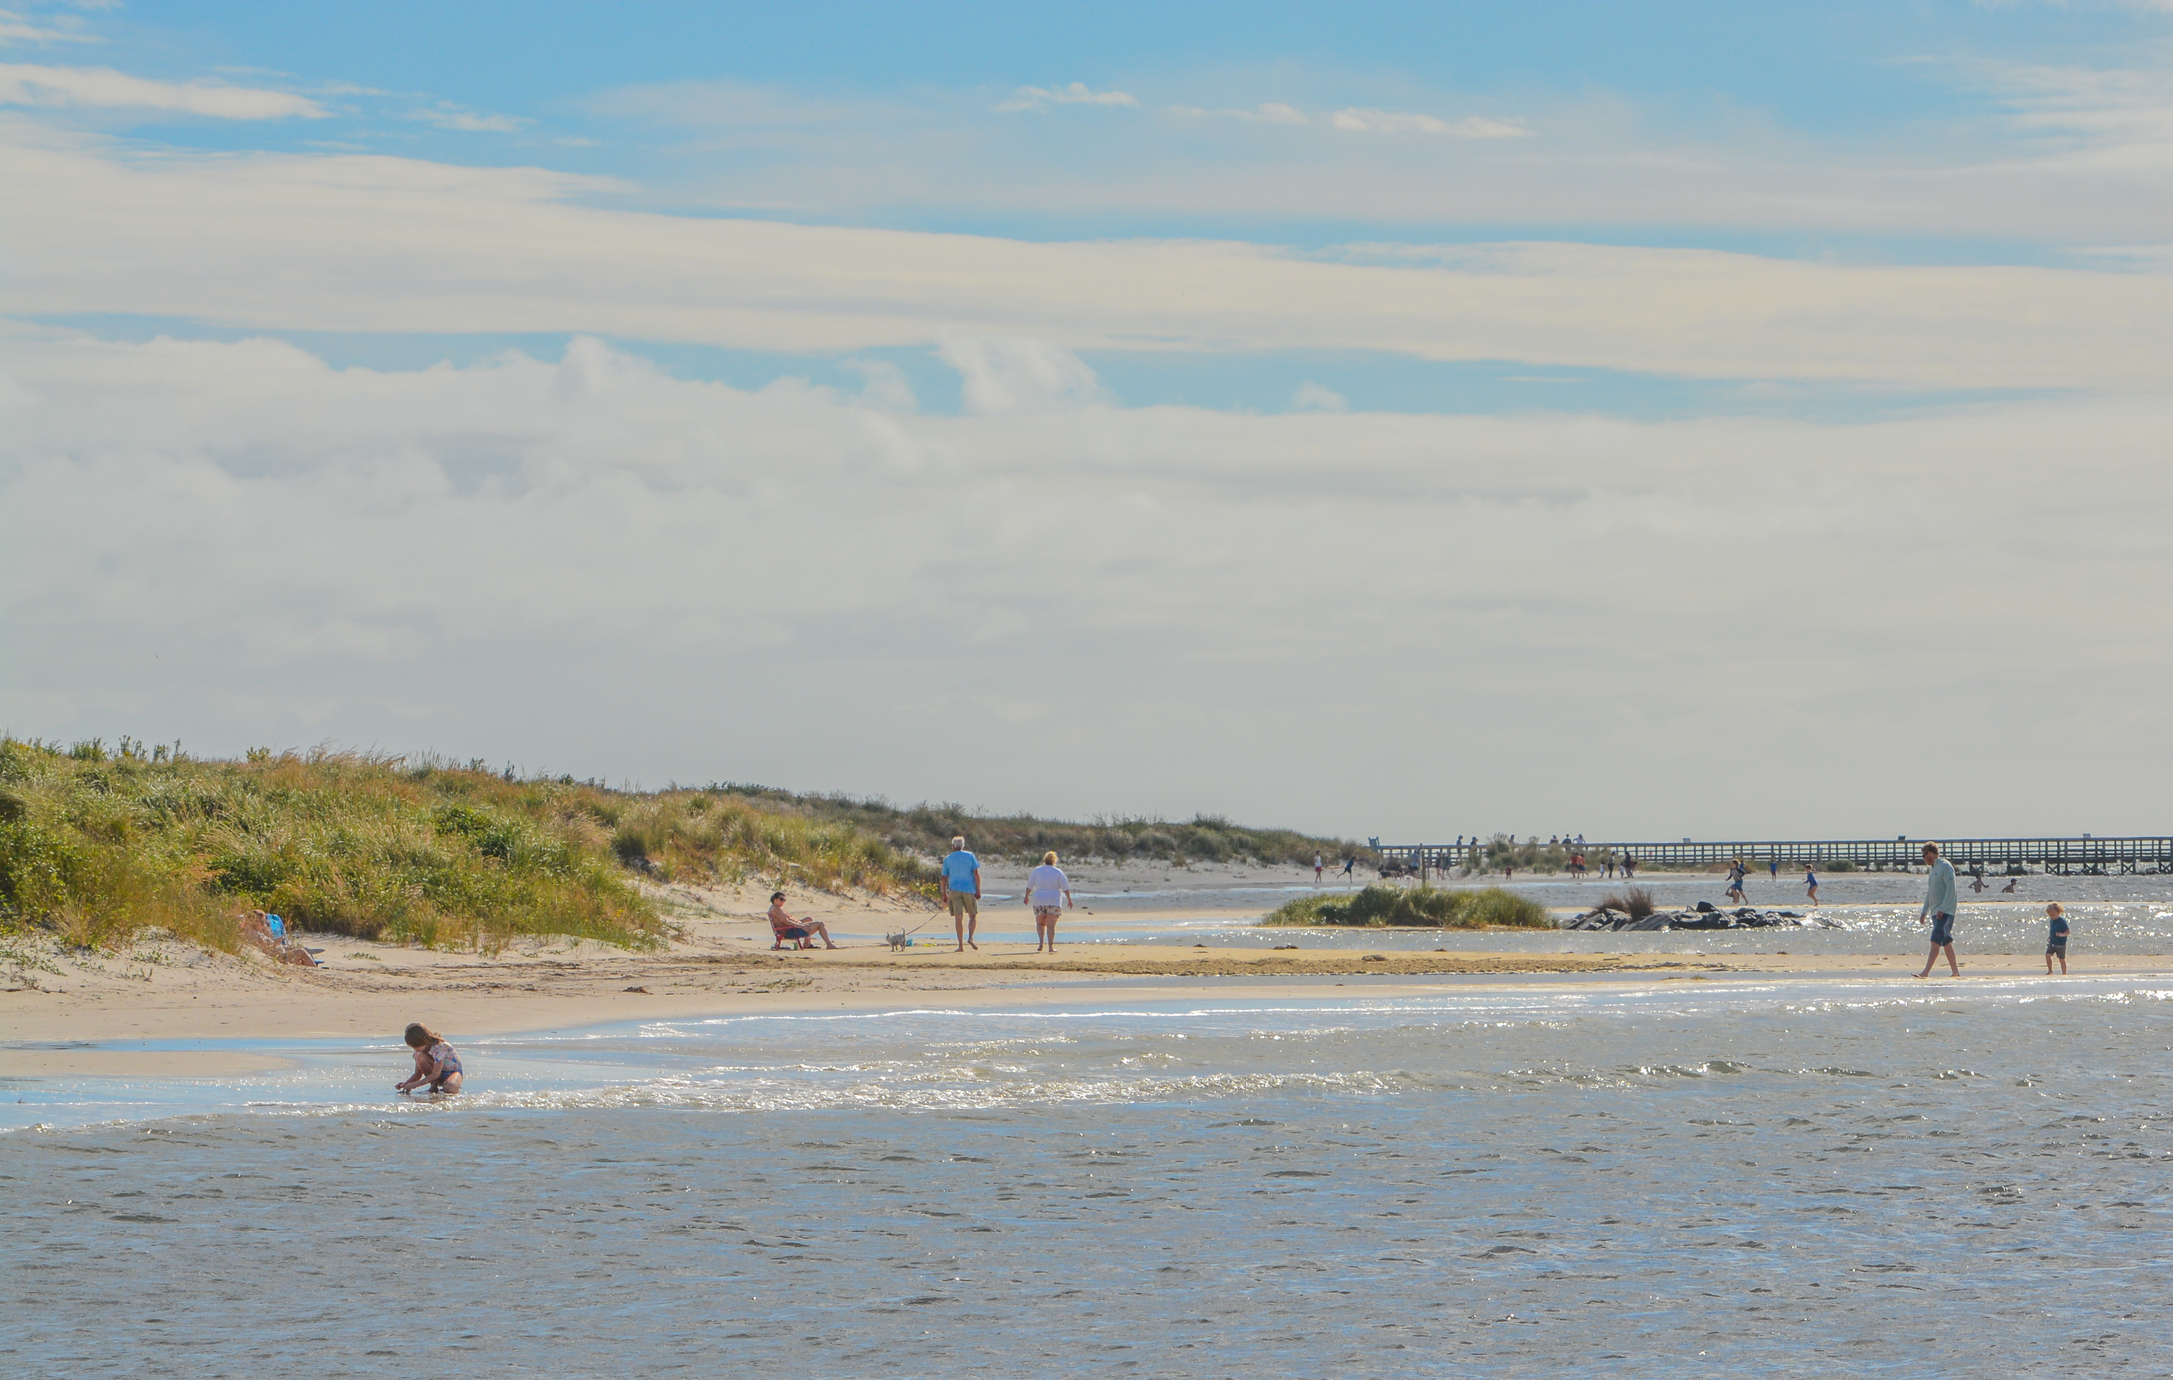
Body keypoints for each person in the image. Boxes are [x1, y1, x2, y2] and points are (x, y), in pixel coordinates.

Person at [1913, 842, 1961, 979]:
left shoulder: (1945, 866)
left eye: (1924, 856)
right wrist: (1924, 911)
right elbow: (1930, 893)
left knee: (1935, 940)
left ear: (1930, 853)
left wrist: (1944, 908)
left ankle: (1925, 972)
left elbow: (1951, 889)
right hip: (1935, 912)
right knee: (1946, 941)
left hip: (1945, 912)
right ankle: (1956, 972)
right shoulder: (1933, 869)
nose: (1924, 859)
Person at [1025, 850, 1073, 952]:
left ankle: (1041, 943)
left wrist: (1027, 896)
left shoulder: (1037, 871)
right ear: (1054, 861)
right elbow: (1065, 887)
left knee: (1040, 923)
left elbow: (1030, 885)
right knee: (1051, 925)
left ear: (1044, 860)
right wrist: (1069, 899)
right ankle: (1050, 947)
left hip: (1039, 900)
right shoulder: (1058, 872)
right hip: (1053, 900)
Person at [395, 1023, 463, 1094]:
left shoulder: (440, 1047)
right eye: (413, 1047)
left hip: (452, 1072)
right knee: (421, 1057)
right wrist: (406, 1084)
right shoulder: (419, 1052)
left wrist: (415, 1085)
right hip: (435, 1074)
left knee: (450, 1087)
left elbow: (435, 1074)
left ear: (424, 1040)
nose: (416, 1049)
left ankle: (450, 1088)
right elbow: (417, 1074)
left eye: (417, 1046)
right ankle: (433, 1086)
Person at [940, 835, 982, 951]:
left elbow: (944, 878)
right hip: (968, 889)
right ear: (962, 846)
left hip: (954, 889)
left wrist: (944, 894)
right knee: (972, 915)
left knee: (958, 918)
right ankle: (970, 938)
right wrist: (978, 890)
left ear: (953, 846)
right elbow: (976, 874)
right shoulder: (970, 856)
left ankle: (960, 946)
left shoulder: (948, 858)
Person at [768, 891, 837, 950]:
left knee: (809, 919)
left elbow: (786, 921)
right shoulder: (776, 910)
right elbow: (787, 922)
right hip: (790, 931)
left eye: (784, 900)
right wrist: (801, 926)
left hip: (790, 928)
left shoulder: (775, 908)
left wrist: (800, 922)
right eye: (781, 899)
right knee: (820, 923)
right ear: (775, 899)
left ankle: (807, 943)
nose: (783, 901)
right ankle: (829, 944)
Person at [2045, 903, 2070, 975]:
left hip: (2060, 943)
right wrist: (2050, 937)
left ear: (2058, 912)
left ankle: (2064, 973)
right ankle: (2050, 970)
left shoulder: (2062, 921)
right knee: (2048, 955)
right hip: (2052, 942)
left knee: (2061, 959)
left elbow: (2068, 932)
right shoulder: (2052, 920)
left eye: (2053, 915)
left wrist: (2062, 934)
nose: (2051, 916)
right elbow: (2052, 930)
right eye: (2049, 915)